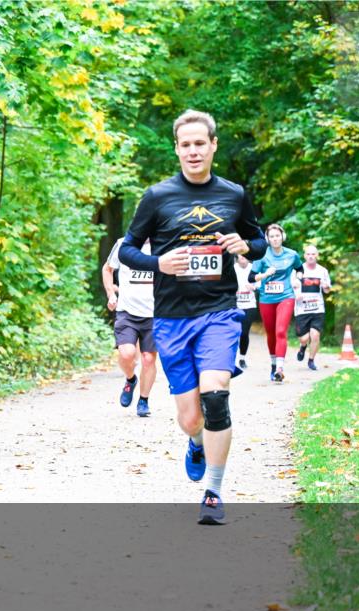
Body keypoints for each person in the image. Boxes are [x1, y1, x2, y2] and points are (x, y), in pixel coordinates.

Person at [119, 109, 267, 525]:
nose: (193, 151)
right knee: (189, 418)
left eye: (200, 143)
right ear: (177, 149)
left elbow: (257, 242)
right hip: (170, 319)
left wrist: (244, 245)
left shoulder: (234, 195)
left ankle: (214, 493)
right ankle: (198, 442)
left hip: (218, 313)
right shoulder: (157, 197)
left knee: (216, 393)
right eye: (186, 144)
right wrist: (158, 263)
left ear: (213, 145)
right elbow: (128, 250)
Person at [103, 237, 157, 417]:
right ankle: (130, 379)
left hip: (154, 313)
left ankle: (143, 400)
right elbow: (107, 269)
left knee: (149, 358)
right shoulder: (123, 243)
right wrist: (111, 294)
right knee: (126, 354)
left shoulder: (162, 243)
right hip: (127, 311)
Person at [249, 224, 303, 383]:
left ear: (282, 236)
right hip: (266, 299)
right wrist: (265, 274)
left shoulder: (292, 254)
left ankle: (280, 368)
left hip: (286, 296)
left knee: (280, 331)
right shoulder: (262, 256)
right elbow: (251, 278)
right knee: (271, 333)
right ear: (267, 239)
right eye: (271, 236)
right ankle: (273, 364)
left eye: (277, 235)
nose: (275, 239)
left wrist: (298, 279)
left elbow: (300, 269)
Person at [293, 244, 332, 371]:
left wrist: (326, 286)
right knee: (304, 338)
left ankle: (311, 360)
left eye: (313, 254)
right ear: (304, 256)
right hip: (301, 309)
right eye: (308, 254)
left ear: (317, 256)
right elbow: (293, 285)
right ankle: (303, 346)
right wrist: (297, 294)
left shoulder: (323, 271)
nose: (311, 256)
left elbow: (326, 290)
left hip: (318, 308)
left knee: (315, 336)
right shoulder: (298, 270)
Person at [234, 253, 262, 369]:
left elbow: (259, 283)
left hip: (249, 304)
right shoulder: (232, 269)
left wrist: (254, 287)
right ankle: (230, 357)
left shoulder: (253, 268)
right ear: (237, 258)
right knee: (233, 332)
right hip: (235, 305)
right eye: (241, 257)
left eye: (245, 256)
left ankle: (242, 358)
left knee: (244, 333)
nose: (243, 259)